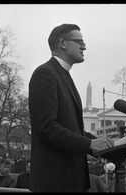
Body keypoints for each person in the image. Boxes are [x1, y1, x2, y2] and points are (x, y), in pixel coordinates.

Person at [28, 23, 114, 192]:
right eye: (79, 41)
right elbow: (46, 127)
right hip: (55, 183)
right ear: (63, 43)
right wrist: (89, 143)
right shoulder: (45, 74)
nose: (84, 46)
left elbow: (72, 130)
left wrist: (107, 146)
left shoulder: (63, 74)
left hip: (70, 181)